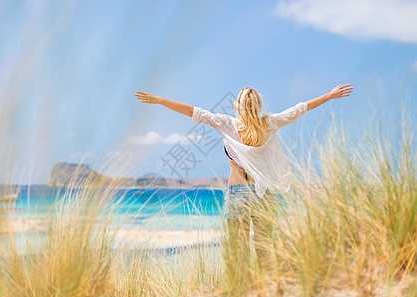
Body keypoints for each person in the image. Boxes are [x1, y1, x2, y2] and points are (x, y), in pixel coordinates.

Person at [134, 84, 353, 270]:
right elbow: (300, 109)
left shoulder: (227, 124)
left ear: (236, 106)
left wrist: (161, 100)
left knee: (238, 253)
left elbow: (194, 112)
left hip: (238, 194)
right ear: (259, 105)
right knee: (264, 250)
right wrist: (328, 95)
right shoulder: (270, 123)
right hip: (264, 195)